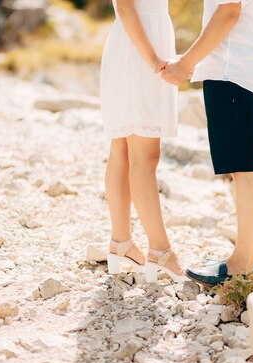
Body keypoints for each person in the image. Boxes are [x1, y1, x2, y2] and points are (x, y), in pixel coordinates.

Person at [162, 0, 253, 286]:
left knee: (245, 167)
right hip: (248, 67)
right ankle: (249, 258)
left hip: (232, 70)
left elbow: (228, 11)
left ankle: (240, 264)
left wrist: (186, 63)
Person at [100, 0, 186, 283]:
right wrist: (154, 61)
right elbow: (125, 6)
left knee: (123, 148)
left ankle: (121, 243)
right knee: (143, 155)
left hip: (136, 45)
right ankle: (160, 250)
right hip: (140, 51)